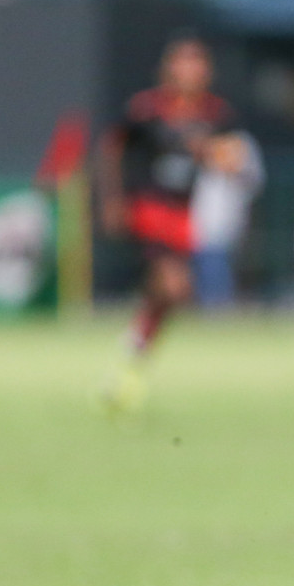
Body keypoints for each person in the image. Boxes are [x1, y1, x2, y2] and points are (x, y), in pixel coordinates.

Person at [97, 34, 245, 409]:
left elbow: (234, 159)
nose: (190, 70)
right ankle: (135, 346)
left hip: (182, 215)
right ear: (168, 68)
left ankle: (133, 346)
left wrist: (213, 154)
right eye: (182, 62)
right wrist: (112, 199)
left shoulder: (216, 114)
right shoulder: (147, 109)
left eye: (197, 63)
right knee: (175, 285)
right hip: (148, 209)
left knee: (167, 296)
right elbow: (112, 146)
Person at [190, 129, 265, 306]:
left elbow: (247, 176)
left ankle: (219, 304)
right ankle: (213, 303)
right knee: (209, 260)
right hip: (204, 220)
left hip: (226, 217)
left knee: (217, 259)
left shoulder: (242, 143)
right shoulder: (206, 155)